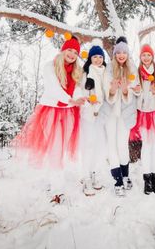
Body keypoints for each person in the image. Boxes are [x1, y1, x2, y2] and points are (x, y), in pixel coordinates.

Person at [14, 35, 86, 202]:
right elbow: (53, 89)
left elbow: (78, 89)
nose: (72, 54)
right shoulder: (50, 66)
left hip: (69, 113)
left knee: (59, 150)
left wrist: (79, 98)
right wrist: (71, 100)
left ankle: (54, 178)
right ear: (63, 50)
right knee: (55, 148)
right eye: (70, 50)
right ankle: (57, 189)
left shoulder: (77, 70)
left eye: (76, 52)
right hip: (51, 113)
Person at [104, 36, 138, 197]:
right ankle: (117, 181)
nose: (121, 55)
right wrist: (112, 91)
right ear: (115, 54)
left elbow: (135, 90)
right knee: (111, 145)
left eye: (124, 52)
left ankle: (125, 175)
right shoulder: (109, 69)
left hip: (125, 113)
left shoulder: (132, 69)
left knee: (122, 145)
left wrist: (125, 91)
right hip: (111, 113)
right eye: (119, 52)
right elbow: (106, 91)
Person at [130, 44, 155, 195]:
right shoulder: (137, 72)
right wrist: (139, 92)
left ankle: (154, 178)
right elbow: (135, 90)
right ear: (140, 57)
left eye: (148, 55)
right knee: (147, 146)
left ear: (152, 56)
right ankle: (146, 179)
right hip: (143, 113)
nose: (146, 58)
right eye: (143, 55)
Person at [79, 40, 109, 196]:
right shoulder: (86, 73)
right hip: (88, 114)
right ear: (90, 58)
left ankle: (94, 173)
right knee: (88, 145)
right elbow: (81, 93)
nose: (98, 59)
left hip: (102, 115)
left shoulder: (106, 72)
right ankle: (86, 177)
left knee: (99, 146)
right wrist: (90, 101)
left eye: (100, 57)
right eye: (95, 57)